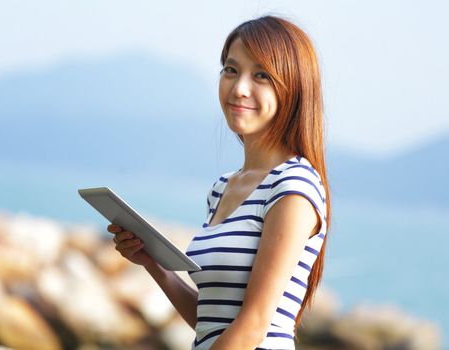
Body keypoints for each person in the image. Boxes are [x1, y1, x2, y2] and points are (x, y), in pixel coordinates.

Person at [107, 15, 331, 350]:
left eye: (261, 75)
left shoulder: (293, 186)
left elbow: (254, 325)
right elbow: (210, 322)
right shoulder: (223, 187)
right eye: (231, 69)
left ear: (294, 88)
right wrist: (153, 264)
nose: (240, 88)